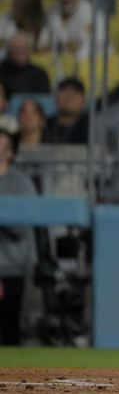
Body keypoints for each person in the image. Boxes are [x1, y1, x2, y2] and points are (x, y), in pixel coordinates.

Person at [0, 128, 38, 345]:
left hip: (13, 266)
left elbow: (24, 224)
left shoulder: (21, 182)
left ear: (9, 153)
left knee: (11, 328)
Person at [42, 77, 89, 145]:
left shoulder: (92, 126)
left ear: (83, 100)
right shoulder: (43, 125)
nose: (69, 96)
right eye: (64, 91)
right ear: (56, 98)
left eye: (75, 91)